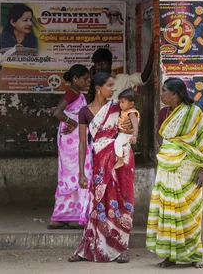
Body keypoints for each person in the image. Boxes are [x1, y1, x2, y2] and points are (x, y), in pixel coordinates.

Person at [69, 72, 135, 263]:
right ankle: (91, 246)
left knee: (122, 202)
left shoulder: (118, 106)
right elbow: (83, 143)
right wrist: (81, 172)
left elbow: (131, 124)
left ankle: (121, 248)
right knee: (98, 204)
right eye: (109, 85)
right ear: (99, 88)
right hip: (99, 161)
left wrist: (129, 130)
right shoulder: (85, 112)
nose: (113, 89)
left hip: (120, 159)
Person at [146, 78, 203, 269]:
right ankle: (169, 256)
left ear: (175, 94)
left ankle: (194, 255)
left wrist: (202, 169)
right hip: (167, 167)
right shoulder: (164, 112)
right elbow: (160, 135)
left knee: (188, 212)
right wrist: (168, 151)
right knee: (167, 211)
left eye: (164, 91)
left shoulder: (194, 112)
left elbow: (202, 140)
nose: (161, 94)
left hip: (188, 169)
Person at [48, 65, 92, 230]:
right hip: (71, 141)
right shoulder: (71, 94)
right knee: (72, 177)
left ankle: (66, 216)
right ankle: (61, 216)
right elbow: (58, 112)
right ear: (75, 79)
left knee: (73, 177)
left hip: (75, 139)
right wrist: (73, 123)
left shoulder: (78, 95)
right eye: (85, 78)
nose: (88, 81)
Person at [88, 45, 154, 102]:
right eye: (97, 64)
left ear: (110, 63)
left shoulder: (122, 80)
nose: (100, 67)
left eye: (103, 63)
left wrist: (151, 57)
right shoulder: (93, 83)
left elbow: (143, 78)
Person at [114, 89, 139, 170]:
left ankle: (120, 160)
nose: (120, 104)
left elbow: (135, 124)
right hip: (122, 134)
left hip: (126, 135)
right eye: (120, 102)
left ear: (131, 103)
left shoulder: (131, 113)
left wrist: (135, 135)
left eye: (122, 102)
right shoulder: (124, 111)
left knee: (117, 143)